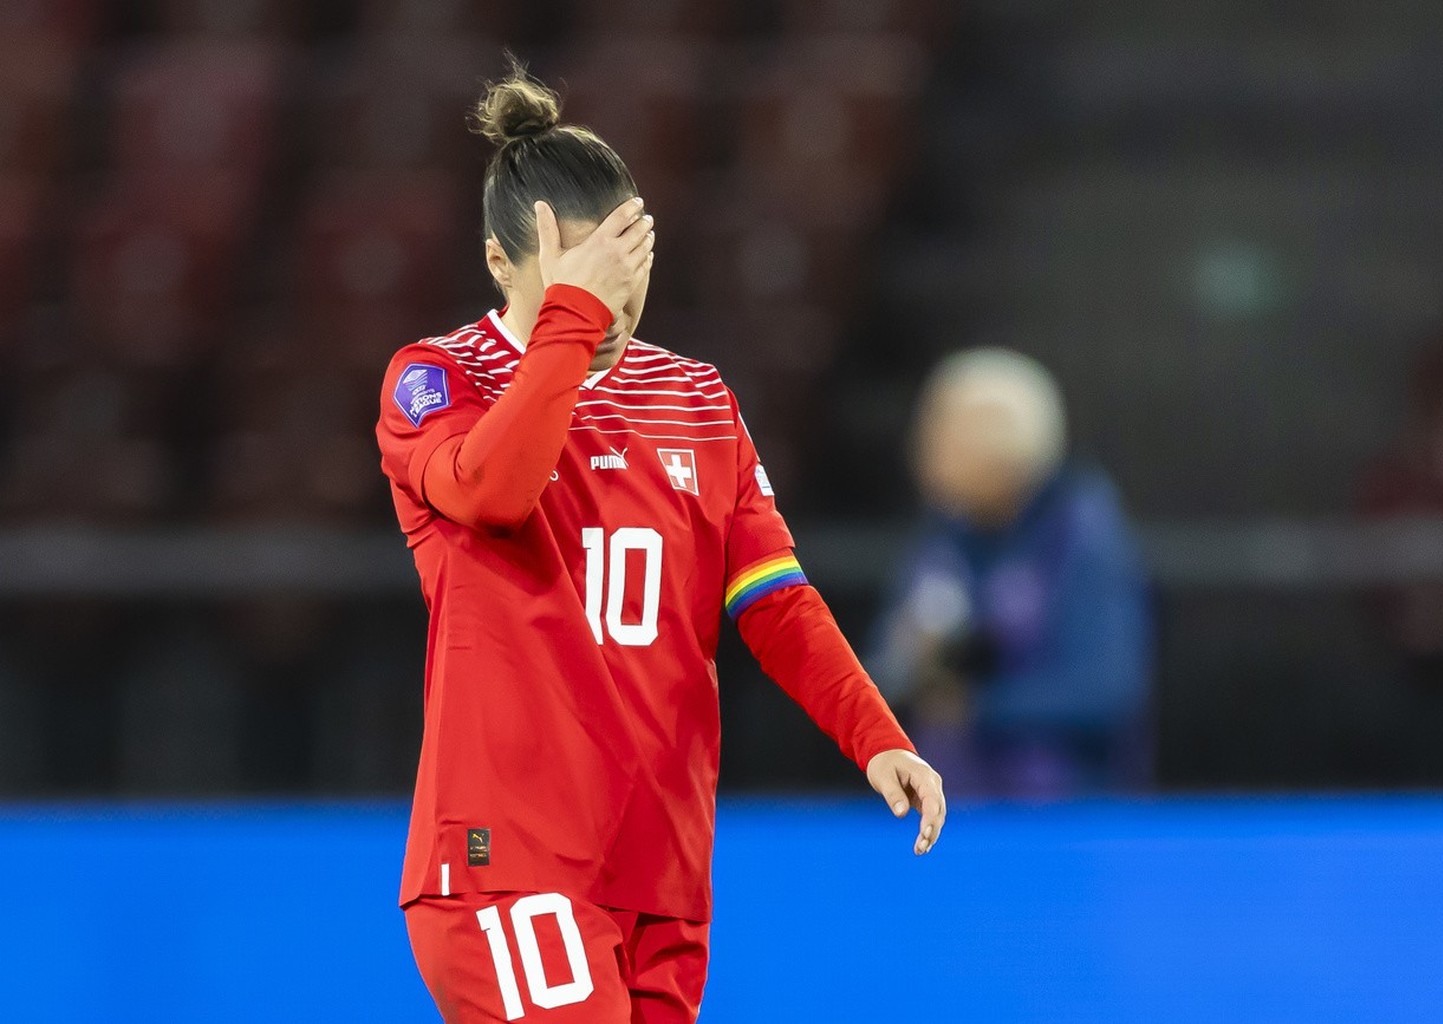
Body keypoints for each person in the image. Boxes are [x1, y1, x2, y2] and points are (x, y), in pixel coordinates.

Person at [374, 64, 944, 1024]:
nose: (613, 308)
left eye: (627, 275)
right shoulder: (436, 379)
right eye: (584, 277)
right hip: (509, 855)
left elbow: (773, 598)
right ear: (499, 264)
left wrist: (873, 731)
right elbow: (494, 489)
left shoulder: (696, 398)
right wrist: (573, 320)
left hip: (660, 860)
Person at [870, 348, 1151, 797]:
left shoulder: (1080, 533)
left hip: (1061, 813)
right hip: (944, 809)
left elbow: (1105, 690)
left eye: (949, 432)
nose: (928, 450)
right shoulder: (942, 534)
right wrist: (909, 661)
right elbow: (884, 671)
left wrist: (978, 709)